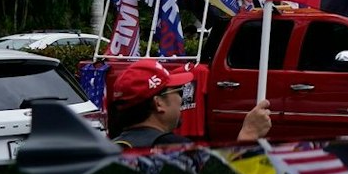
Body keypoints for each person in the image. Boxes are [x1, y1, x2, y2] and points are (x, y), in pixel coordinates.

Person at [109, 58, 271, 148]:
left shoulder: (109, 150)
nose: (182, 99)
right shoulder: (176, 150)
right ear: (158, 104)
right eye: (178, 91)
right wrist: (248, 135)